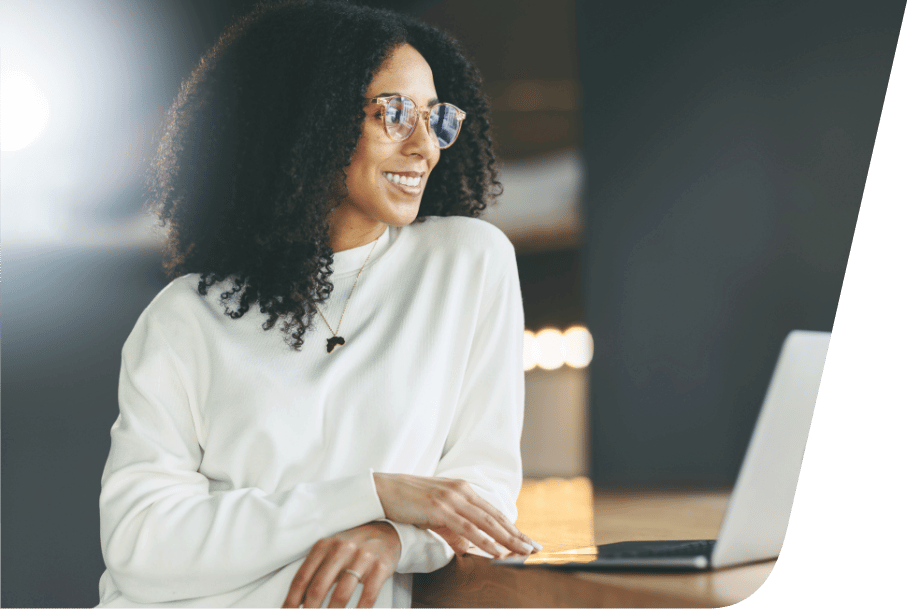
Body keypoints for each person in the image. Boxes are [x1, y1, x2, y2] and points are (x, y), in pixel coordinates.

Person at [96, 1, 537, 608]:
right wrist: (373, 495)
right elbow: (140, 544)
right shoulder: (184, 317)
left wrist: (394, 536)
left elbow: (479, 496)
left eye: (436, 118)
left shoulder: (467, 263)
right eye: (396, 113)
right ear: (311, 120)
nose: (424, 148)